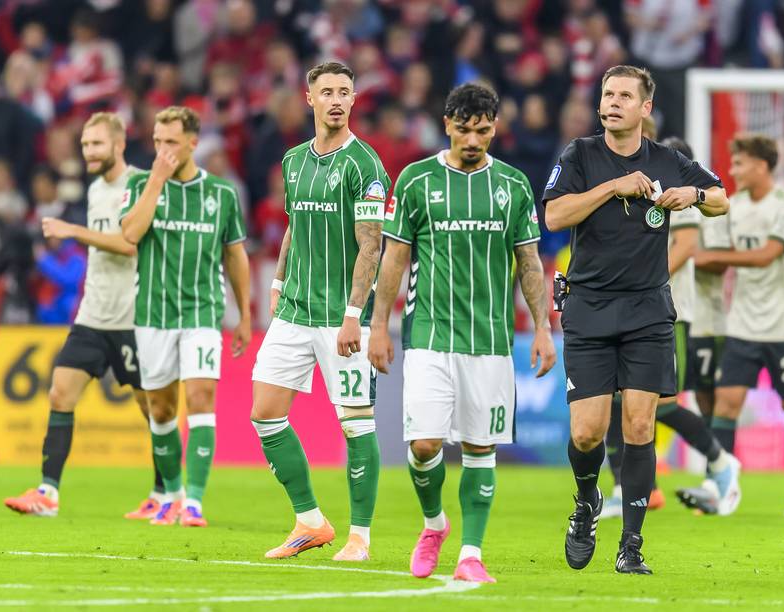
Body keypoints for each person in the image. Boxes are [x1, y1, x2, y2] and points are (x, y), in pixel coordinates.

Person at [543, 65, 729, 575]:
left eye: (625, 95)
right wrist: (613, 187)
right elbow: (554, 217)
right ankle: (586, 505)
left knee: (642, 424)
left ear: (645, 108)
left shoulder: (669, 161)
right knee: (587, 433)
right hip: (590, 309)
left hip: (648, 311)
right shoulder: (579, 155)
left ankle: (631, 546)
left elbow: (721, 198)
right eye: (607, 94)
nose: (613, 102)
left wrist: (692, 195)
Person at [369, 83, 556, 583]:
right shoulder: (415, 180)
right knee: (425, 446)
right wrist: (378, 325)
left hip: (490, 342)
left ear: (495, 127)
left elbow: (529, 263)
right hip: (428, 336)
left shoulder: (513, 185)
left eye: (484, 129)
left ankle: (471, 554)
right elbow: (395, 259)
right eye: (465, 129)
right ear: (447, 124)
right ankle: (434, 525)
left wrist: (543, 327)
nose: (474, 139)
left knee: (479, 448)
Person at [250, 62, 389, 562]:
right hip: (293, 310)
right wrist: (279, 281)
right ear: (308, 97)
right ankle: (310, 521)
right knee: (264, 415)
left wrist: (355, 313)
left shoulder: (365, 166)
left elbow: (370, 246)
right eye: (326, 91)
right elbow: (294, 226)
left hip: (341, 316)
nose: (336, 99)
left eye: (345, 92)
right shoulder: (292, 161)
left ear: (354, 101)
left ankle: (360, 537)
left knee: (355, 423)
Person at [4, 112, 164, 519]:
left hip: (132, 317)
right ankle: (48, 493)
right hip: (93, 315)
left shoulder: (139, 185)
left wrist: (72, 231)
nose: (89, 152)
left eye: (96, 144)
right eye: (85, 146)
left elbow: (130, 245)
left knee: (153, 408)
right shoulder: (95, 190)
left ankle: (165, 493)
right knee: (60, 393)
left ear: (118, 144)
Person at [120, 106, 251, 527]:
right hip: (153, 314)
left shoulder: (222, 194)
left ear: (193, 142)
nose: (163, 150)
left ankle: (194, 501)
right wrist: (156, 179)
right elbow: (129, 233)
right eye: (157, 142)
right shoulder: (141, 182)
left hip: (202, 312)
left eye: (171, 142)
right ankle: (172, 494)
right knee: (160, 410)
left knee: (199, 399)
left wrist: (245, 314)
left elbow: (235, 255)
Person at [602, 137, 740, 519]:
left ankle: (719, 461)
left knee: (659, 404)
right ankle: (630, 487)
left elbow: (687, 246)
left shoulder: (686, 198)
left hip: (669, 313)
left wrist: (636, 276)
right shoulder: (642, 191)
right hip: (628, 311)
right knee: (615, 401)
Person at [684, 133, 784, 517]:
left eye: (740, 163)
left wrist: (697, 253)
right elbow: (718, 259)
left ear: (761, 165)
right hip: (741, 324)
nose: (734, 170)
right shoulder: (734, 205)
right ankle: (720, 488)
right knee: (726, 404)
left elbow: (766, 256)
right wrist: (686, 252)